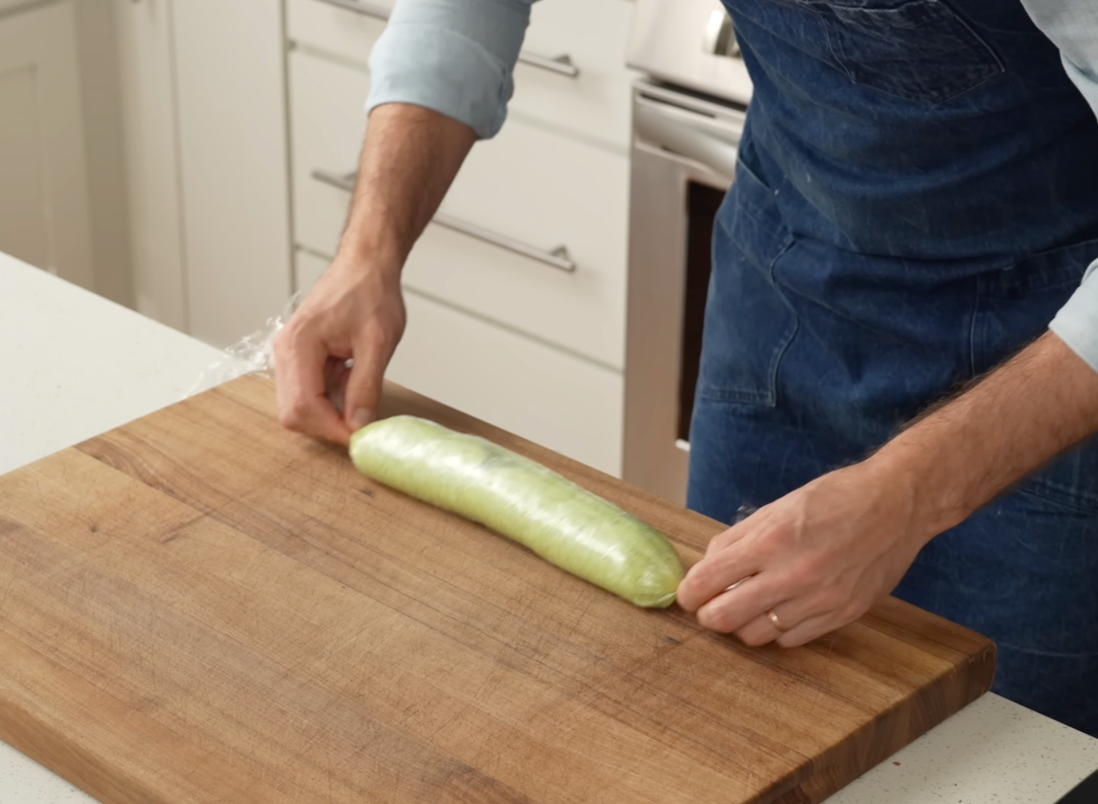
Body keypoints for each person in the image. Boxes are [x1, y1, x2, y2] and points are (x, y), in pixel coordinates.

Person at [274, 0, 1098, 736]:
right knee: (729, 707)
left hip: (1050, 359)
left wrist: (909, 492)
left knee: (995, 762)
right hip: (786, 286)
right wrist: (368, 252)